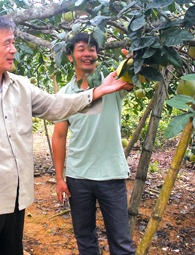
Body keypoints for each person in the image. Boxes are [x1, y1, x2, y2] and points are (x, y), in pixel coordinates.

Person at [0, 15, 134, 255]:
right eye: (7, 43)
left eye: (14, 42)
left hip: (15, 200)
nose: (13, 49)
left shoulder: (20, 86)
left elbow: (55, 106)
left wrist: (99, 91)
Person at [52, 32, 135, 255]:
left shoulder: (113, 81)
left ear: (97, 55)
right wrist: (60, 178)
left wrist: (136, 62)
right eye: (81, 49)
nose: (87, 54)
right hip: (78, 177)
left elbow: (131, 79)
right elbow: (59, 137)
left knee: (121, 242)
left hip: (111, 174)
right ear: (70, 56)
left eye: (92, 49)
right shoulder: (64, 95)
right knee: (85, 239)